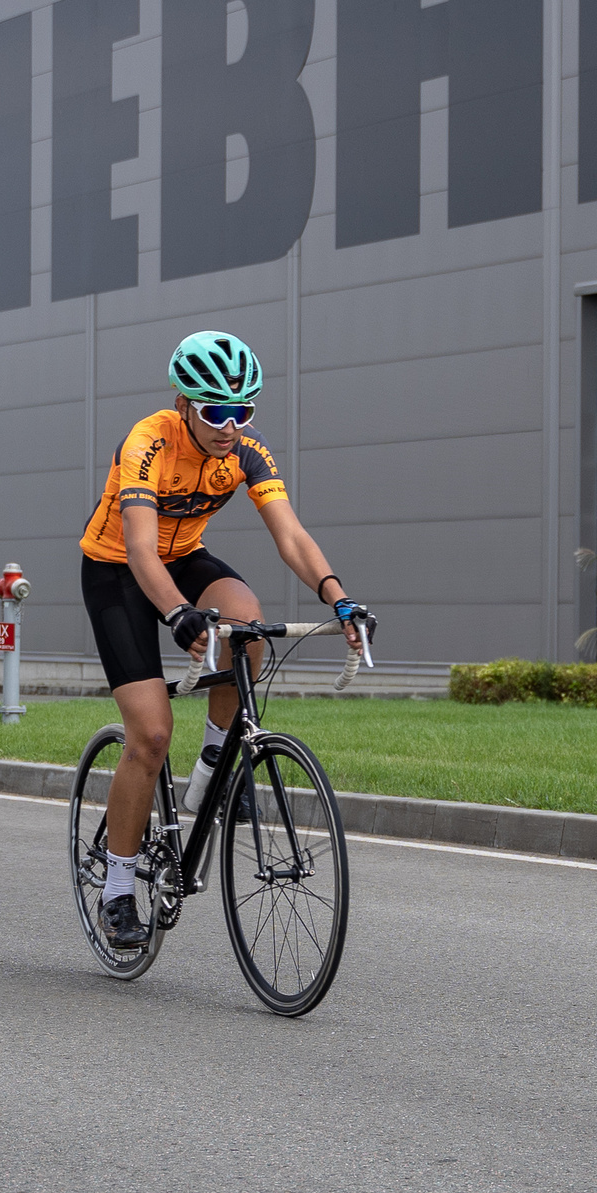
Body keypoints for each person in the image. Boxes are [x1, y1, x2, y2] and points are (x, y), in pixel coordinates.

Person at [78, 331, 369, 950]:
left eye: (243, 411)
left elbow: (289, 535)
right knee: (152, 734)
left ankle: (215, 765)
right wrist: (179, 613)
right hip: (118, 572)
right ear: (183, 403)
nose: (230, 425)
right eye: (215, 411)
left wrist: (336, 595)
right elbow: (136, 547)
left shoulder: (247, 452)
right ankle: (119, 888)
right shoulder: (148, 441)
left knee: (249, 625)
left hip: (183, 557)